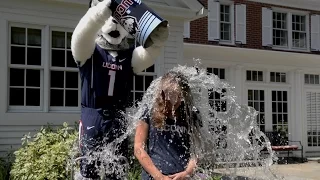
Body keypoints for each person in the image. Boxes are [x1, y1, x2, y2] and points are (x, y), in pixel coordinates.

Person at [71, 0, 169, 179]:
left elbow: (148, 55)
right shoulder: (91, 51)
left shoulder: (129, 55)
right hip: (93, 115)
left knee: (118, 167)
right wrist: (98, 13)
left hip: (119, 117)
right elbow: (80, 38)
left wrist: (157, 40)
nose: (114, 23)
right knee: (88, 167)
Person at [134, 71, 202, 180]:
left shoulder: (191, 114)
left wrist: (187, 173)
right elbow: (138, 148)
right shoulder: (149, 111)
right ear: (162, 94)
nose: (175, 103)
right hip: (154, 177)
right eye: (170, 99)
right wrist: (159, 177)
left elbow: (197, 149)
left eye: (179, 97)